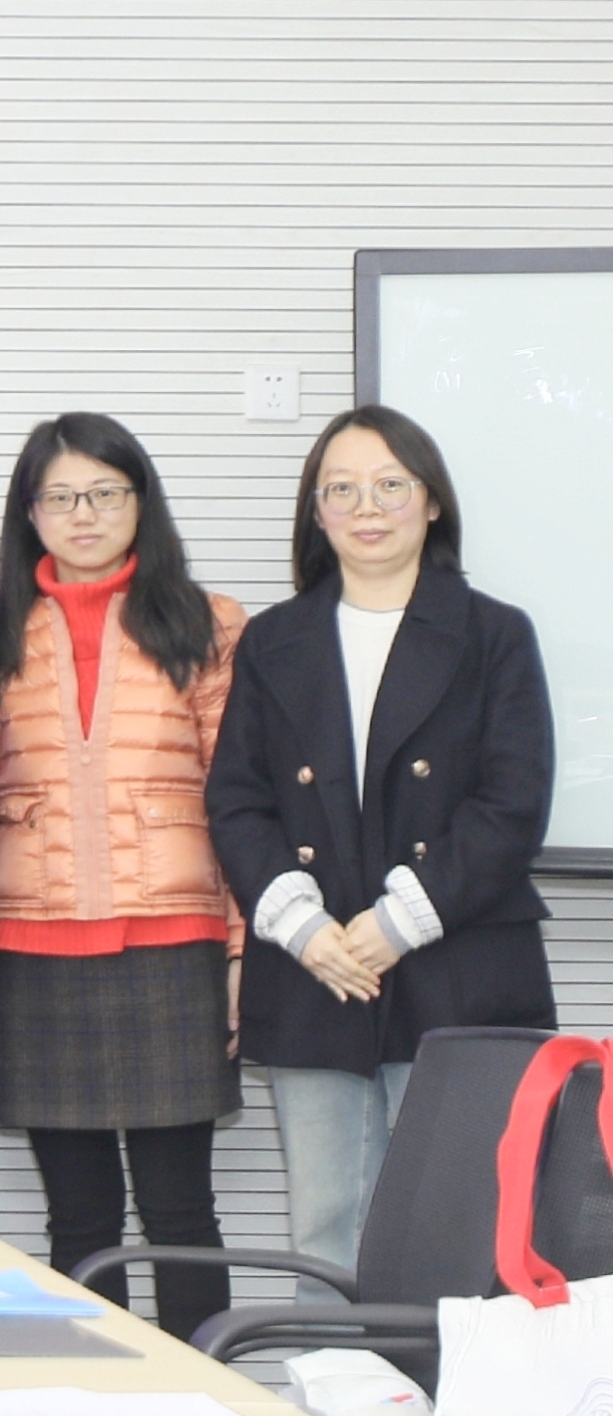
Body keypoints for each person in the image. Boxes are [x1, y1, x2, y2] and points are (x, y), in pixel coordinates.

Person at [209, 406, 555, 1285]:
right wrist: (303, 927)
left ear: (431, 501)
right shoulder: (274, 639)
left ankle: (444, 1372)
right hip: (316, 966)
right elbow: (238, 800)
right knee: (324, 1226)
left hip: (457, 962)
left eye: (390, 485)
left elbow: (514, 804)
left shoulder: (494, 634)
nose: (367, 507)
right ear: (316, 512)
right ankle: (331, 1368)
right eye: (342, 489)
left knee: (457, 1224)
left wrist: (399, 921)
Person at [0, 412, 245, 1346]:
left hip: (173, 947)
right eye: (59, 497)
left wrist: (241, 948)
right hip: (32, 952)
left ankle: (204, 1393)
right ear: (29, 513)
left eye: (104, 493)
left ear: (140, 501)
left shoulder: (208, 624)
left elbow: (237, 798)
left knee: (181, 1213)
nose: (82, 514)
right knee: (78, 1220)